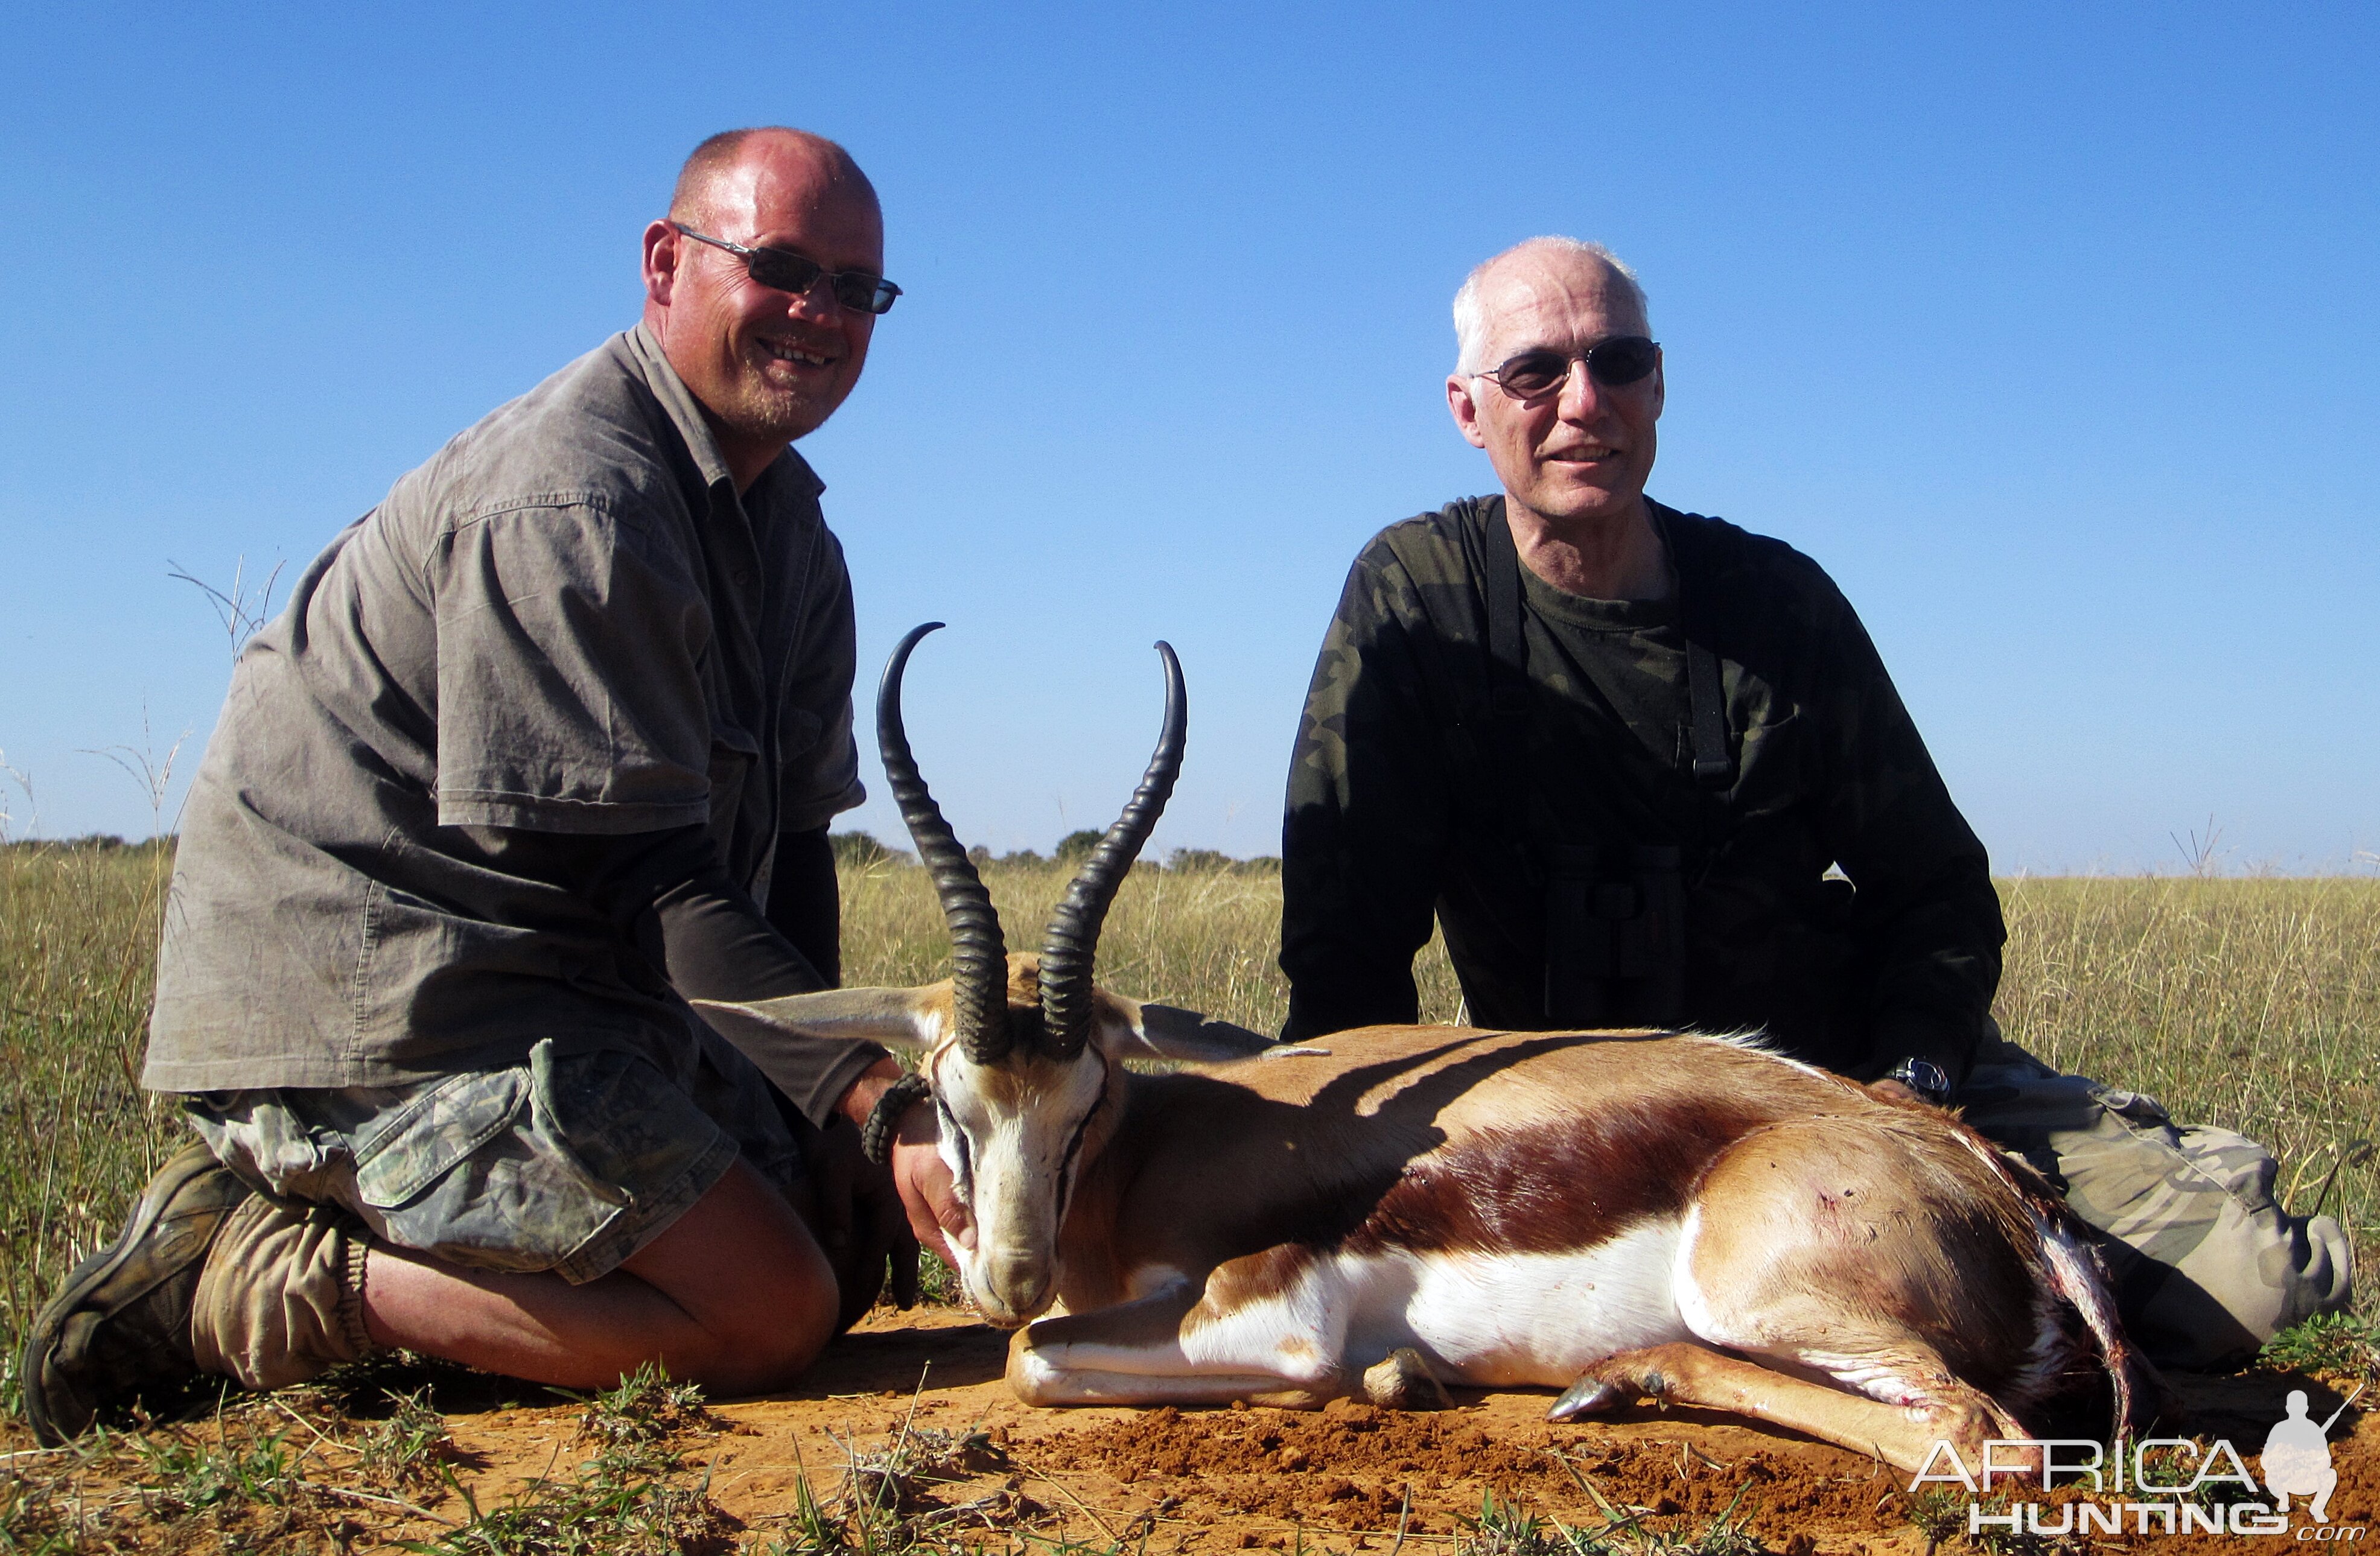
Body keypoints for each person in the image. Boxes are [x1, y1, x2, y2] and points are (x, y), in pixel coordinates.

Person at [21, 127, 962, 1446]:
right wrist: (873, 1095)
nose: (819, 313)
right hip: (399, 1007)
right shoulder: (577, 496)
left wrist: (830, 1114)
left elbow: (792, 845)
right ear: (664, 261)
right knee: (770, 1313)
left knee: (846, 1236)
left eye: (856, 289)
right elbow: (645, 882)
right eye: (782, 267)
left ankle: (429, 1244)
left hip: (568, 990)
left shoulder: (791, 530)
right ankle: (252, 1277)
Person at [1278, 234, 2351, 1370]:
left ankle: (2172, 1161)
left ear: (1659, 386)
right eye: (1537, 371)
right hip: (1590, 1131)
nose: (1582, 403)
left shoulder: (1777, 604)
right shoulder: (1414, 602)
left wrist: (1913, 1089)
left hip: (1854, 1093)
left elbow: (1935, 890)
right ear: (1467, 407)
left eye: (1620, 362)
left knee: (2247, 1298)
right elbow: (1345, 964)